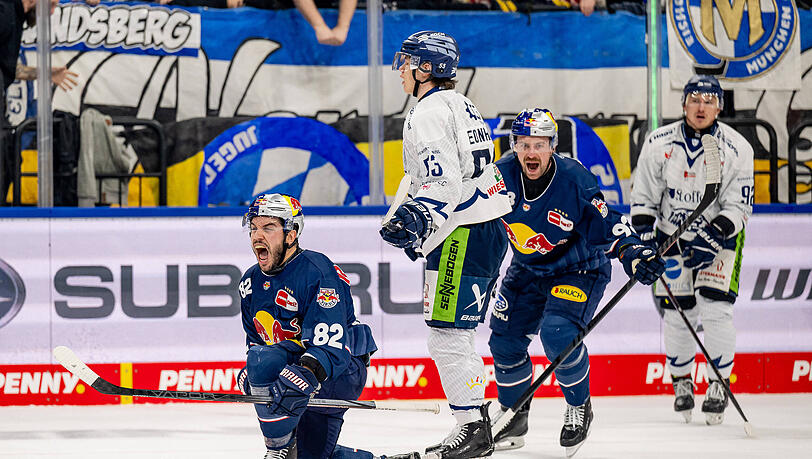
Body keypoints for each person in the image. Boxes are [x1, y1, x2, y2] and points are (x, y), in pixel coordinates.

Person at [487, 108, 666, 457]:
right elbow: (470, 213)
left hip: (578, 269)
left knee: (558, 334)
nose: (532, 153)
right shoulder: (499, 177)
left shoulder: (573, 179)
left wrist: (634, 252)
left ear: (552, 146)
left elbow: (607, 223)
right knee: (504, 341)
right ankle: (514, 415)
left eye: (540, 144)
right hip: (527, 269)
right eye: (524, 145)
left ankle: (578, 405)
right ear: (514, 146)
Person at [380, 31, 510, 458]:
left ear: (426, 68)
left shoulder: (429, 112)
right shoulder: (461, 103)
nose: (401, 68)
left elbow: (443, 181)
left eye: (407, 61)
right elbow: (441, 175)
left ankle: (472, 426)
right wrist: (409, 217)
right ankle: (475, 423)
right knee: (457, 333)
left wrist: (420, 217)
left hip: (463, 233)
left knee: (447, 335)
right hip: (483, 227)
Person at [630, 74, 754, 426]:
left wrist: (713, 235)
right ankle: (682, 381)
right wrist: (645, 239)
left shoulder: (737, 148)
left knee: (716, 310)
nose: (701, 107)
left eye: (709, 101)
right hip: (671, 236)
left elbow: (740, 206)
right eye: (695, 100)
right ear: (684, 104)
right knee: (677, 312)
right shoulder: (658, 142)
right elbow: (643, 196)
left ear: (720, 107)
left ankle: (718, 384)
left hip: (720, 237)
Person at [238, 193, 383, 459]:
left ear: (291, 234)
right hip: (294, 365)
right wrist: (253, 373)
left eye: (268, 227)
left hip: (341, 371)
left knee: (265, 363)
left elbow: (330, 347)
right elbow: (257, 343)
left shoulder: (317, 270)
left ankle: (277, 449)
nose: (257, 235)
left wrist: (304, 372)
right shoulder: (250, 282)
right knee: (308, 456)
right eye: (254, 227)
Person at [0, 0, 79, 199]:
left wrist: (43, 72)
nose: (51, 12)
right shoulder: (5, 12)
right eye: (51, 5)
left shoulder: (14, 16)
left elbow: (9, 67)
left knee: (9, 160)